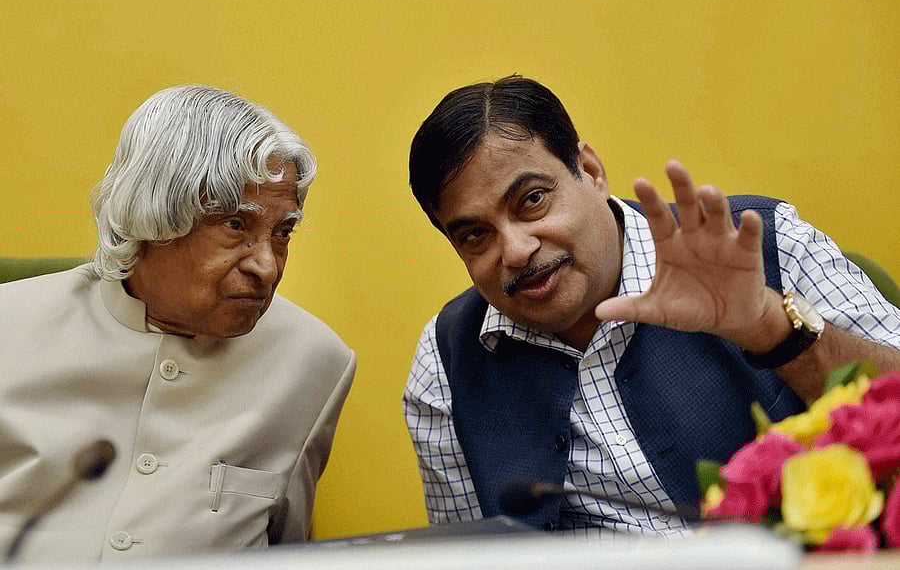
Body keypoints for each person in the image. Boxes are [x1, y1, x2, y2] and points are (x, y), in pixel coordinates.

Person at [403, 75, 900, 538]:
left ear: (590, 172)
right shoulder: (445, 366)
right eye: (475, 235)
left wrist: (772, 329)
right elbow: (471, 557)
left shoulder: (761, 244)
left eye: (532, 200)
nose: (515, 250)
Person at [0, 85, 356, 562]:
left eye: (282, 232)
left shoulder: (313, 361)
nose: (267, 267)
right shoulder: (9, 325)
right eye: (235, 225)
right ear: (153, 213)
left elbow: (286, 551)